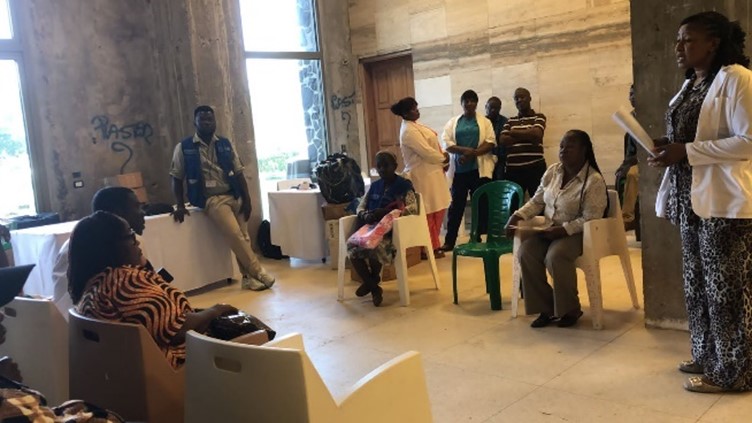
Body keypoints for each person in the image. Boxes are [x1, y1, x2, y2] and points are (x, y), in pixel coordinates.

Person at [648, 11, 752, 393]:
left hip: (724, 205)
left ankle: (734, 372)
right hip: (690, 201)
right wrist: (667, 145)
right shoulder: (691, 84)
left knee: (726, 291)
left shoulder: (737, 79)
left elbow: (748, 141)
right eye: (678, 39)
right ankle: (708, 355)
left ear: (713, 43)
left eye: (688, 40)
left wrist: (687, 151)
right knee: (697, 286)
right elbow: (691, 134)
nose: (679, 47)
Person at [67, 211, 237, 370]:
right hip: (176, 370)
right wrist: (215, 310)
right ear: (110, 247)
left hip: (128, 373)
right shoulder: (124, 282)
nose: (137, 241)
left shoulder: (94, 286)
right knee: (247, 337)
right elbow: (176, 330)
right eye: (130, 235)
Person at [505, 130, 607, 328]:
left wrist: (563, 230)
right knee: (526, 252)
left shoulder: (594, 180)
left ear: (584, 150)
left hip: (579, 233)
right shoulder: (553, 171)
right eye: (561, 146)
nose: (563, 150)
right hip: (549, 229)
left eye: (570, 147)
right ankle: (546, 308)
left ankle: (570, 309)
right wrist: (517, 216)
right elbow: (537, 201)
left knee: (556, 256)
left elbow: (591, 218)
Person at [170, 105, 275, 291]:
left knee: (244, 238)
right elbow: (176, 177)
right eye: (203, 119)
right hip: (212, 199)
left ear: (215, 122)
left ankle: (248, 279)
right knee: (235, 235)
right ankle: (259, 272)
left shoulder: (225, 143)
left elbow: (239, 171)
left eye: (210, 119)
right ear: (195, 122)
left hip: (233, 194)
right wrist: (179, 205)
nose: (207, 123)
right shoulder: (184, 147)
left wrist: (247, 198)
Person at [49, 187, 146, 319]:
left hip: (79, 323)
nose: (143, 213)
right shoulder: (118, 247)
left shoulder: (83, 241)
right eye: (137, 207)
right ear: (117, 214)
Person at [347, 151, 418, 306]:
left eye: (386, 166)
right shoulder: (375, 186)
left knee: (376, 246)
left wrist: (389, 213)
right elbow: (360, 206)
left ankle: (371, 284)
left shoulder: (404, 185)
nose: (382, 169)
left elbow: (413, 208)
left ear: (395, 166)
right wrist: (365, 215)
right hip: (371, 228)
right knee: (352, 245)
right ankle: (374, 286)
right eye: (379, 166)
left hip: (391, 231)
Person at [391, 97, 451, 259]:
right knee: (428, 211)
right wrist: (444, 158)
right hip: (423, 175)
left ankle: (434, 244)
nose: (417, 111)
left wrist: (443, 159)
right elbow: (426, 151)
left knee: (438, 209)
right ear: (405, 113)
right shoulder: (408, 131)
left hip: (433, 174)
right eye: (413, 109)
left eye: (416, 108)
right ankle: (427, 248)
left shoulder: (415, 125)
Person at [440, 89, 497, 252]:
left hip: (478, 170)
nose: (469, 103)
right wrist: (465, 151)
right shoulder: (453, 122)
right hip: (459, 171)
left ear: (477, 103)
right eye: (466, 100)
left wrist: (472, 154)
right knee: (456, 206)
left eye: (473, 100)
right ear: (462, 103)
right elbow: (446, 143)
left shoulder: (485, 122)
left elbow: (490, 142)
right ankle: (450, 241)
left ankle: (477, 237)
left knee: (480, 205)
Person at [500, 87, 547, 198]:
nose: (519, 100)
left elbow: (537, 134)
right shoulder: (510, 120)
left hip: (535, 168)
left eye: (522, 97)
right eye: (516, 98)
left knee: (539, 202)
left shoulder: (539, 117)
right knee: (513, 204)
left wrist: (513, 132)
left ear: (529, 98)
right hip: (513, 170)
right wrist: (528, 135)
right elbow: (502, 140)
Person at [615, 85, 639, 230]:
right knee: (620, 174)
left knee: (632, 174)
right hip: (632, 159)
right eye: (630, 94)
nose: (631, 98)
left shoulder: (651, 115)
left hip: (648, 160)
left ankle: (627, 218)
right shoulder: (630, 117)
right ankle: (617, 216)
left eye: (634, 94)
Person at [485, 96, 509, 180]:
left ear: (500, 108)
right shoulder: (481, 122)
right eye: (491, 107)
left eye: (496, 108)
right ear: (486, 107)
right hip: (485, 159)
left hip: (501, 160)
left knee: (499, 181)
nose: (493, 110)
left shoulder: (505, 122)